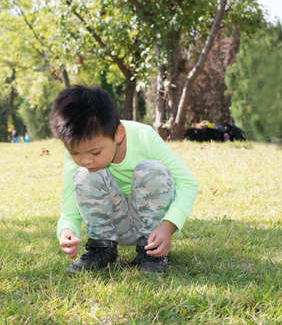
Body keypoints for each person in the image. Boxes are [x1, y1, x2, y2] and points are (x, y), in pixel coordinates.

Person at [49, 86, 198, 274]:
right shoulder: (79, 156)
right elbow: (69, 209)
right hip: (112, 226)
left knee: (151, 170)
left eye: (95, 152)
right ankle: (102, 249)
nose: (86, 160)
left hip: (151, 227)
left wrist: (167, 227)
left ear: (118, 134)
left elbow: (187, 183)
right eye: (75, 153)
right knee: (84, 174)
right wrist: (67, 231)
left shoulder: (144, 136)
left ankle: (151, 252)